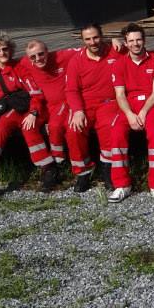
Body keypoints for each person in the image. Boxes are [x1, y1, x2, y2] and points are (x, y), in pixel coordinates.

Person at [0, 32, 54, 198]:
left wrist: (33, 112)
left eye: (5, 49)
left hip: (15, 110)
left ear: (11, 49)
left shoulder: (20, 67)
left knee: (2, 128)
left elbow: (35, 93)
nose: (2, 53)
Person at [109, 23, 154, 203]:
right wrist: (129, 114)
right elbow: (120, 94)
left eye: (139, 40)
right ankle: (122, 184)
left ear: (144, 40)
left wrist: (143, 112)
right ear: (126, 43)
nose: (135, 44)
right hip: (129, 105)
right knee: (116, 133)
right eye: (131, 41)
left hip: (151, 104)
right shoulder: (119, 64)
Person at [65, 23, 123, 193]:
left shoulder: (115, 51)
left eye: (96, 37)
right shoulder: (76, 60)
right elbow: (71, 90)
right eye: (88, 39)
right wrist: (77, 110)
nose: (93, 42)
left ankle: (108, 169)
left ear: (102, 36)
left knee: (109, 129)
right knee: (73, 131)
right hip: (85, 104)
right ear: (83, 40)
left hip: (109, 102)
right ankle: (83, 172)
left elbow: (137, 50)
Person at [14, 39, 80, 189]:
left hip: (62, 103)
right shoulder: (25, 62)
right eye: (33, 57)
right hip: (41, 104)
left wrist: (113, 41)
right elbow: (4, 62)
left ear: (47, 51)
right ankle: (47, 167)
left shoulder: (61, 56)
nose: (38, 59)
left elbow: (88, 48)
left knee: (55, 126)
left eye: (41, 54)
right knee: (28, 127)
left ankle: (60, 162)